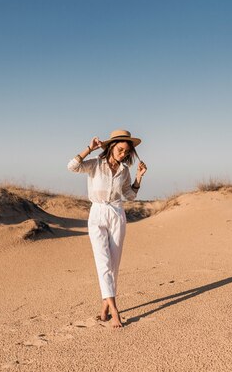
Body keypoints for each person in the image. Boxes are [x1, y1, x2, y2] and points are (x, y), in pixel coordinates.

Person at [67, 129, 147, 328]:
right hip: (97, 213)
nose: (123, 155)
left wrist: (139, 177)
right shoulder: (95, 163)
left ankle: (104, 307)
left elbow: (130, 195)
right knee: (103, 262)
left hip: (117, 214)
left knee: (114, 265)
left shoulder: (124, 171)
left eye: (126, 152)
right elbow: (72, 167)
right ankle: (114, 309)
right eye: (120, 150)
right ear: (111, 146)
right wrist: (89, 149)